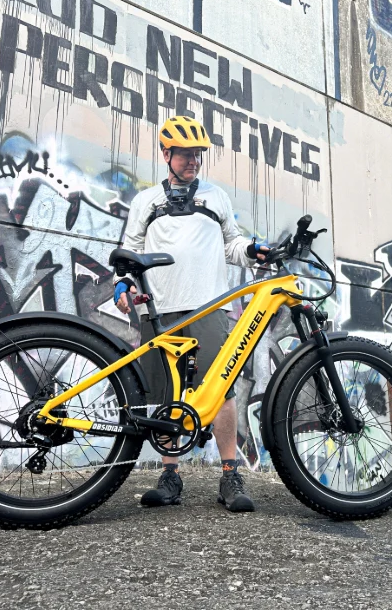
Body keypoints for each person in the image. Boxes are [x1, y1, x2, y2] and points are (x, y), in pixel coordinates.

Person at [116, 115, 269, 512]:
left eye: (197, 155)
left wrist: (252, 251)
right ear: (165, 154)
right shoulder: (146, 201)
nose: (193, 162)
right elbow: (129, 249)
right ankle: (170, 477)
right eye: (185, 154)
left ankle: (230, 475)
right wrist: (122, 285)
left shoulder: (216, 197)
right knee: (168, 394)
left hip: (210, 306)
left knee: (221, 390)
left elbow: (232, 244)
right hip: (161, 310)